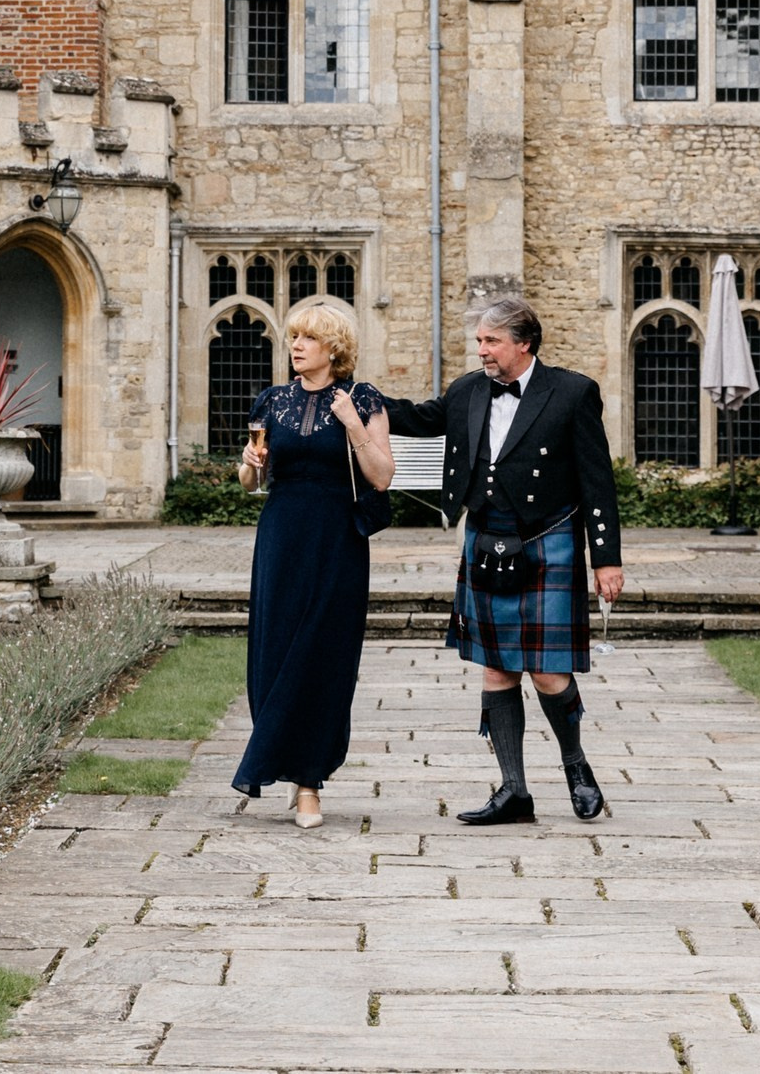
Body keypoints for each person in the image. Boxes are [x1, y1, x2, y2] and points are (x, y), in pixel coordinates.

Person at [382, 295, 621, 824]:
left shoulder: (572, 392)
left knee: (548, 672)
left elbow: (597, 482)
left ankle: (576, 767)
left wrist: (605, 558)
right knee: (496, 669)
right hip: (487, 538)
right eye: (480, 341)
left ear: (523, 343)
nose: (482, 350)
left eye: (491, 341)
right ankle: (514, 791)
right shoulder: (468, 389)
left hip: (547, 540)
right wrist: (357, 397)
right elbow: (418, 419)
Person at [231, 302, 394, 828]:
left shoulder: (362, 399)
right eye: (293, 337)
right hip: (280, 537)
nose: (296, 346)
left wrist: (353, 426)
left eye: (307, 338)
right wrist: (250, 467)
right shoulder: (271, 400)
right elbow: (250, 483)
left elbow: (382, 477)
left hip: (337, 541)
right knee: (275, 654)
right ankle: (281, 757)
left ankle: (308, 785)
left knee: (321, 658)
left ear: (333, 349)